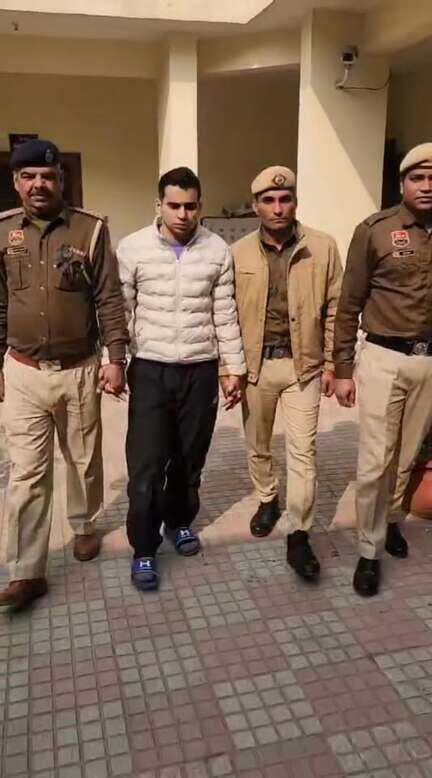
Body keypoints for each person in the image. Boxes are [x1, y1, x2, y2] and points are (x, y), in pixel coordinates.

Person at [0, 139, 128, 608]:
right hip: (23, 371)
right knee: (27, 473)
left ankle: (84, 523)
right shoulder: (3, 233)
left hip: (79, 369)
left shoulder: (89, 230)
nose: (39, 184)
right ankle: (26, 571)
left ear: (60, 180)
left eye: (48, 177)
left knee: (83, 458)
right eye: (29, 176)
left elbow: (108, 297)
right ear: (16, 182)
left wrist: (116, 358)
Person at [117, 166, 245, 591]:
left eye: (190, 206)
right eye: (174, 205)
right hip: (150, 369)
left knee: (190, 457)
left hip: (200, 369)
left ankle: (179, 521)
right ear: (159, 205)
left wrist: (233, 368)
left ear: (200, 206)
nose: (183, 214)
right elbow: (122, 313)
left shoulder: (216, 250)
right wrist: (112, 360)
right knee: (147, 463)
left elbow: (224, 312)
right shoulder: (133, 248)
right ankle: (144, 547)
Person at [231, 165, 342, 581]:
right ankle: (267, 498)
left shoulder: (322, 247)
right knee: (257, 443)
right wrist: (229, 369)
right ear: (255, 205)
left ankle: (299, 532)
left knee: (303, 452)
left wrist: (332, 363)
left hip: (303, 368)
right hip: (255, 367)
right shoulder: (237, 253)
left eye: (285, 199)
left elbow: (336, 308)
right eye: (269, 201)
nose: (278, 208)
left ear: (295, 201)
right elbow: (224, 313)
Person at [334, 142, 432, 597]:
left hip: (428, 362)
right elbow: (349, 302)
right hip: (382, 358)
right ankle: (369, 550)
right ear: (402, 183)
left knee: (406, 456)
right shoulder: (375, 230)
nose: (427, 186)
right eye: (418, 177)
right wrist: (342, 367)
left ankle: (391, 520)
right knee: (375, 460)